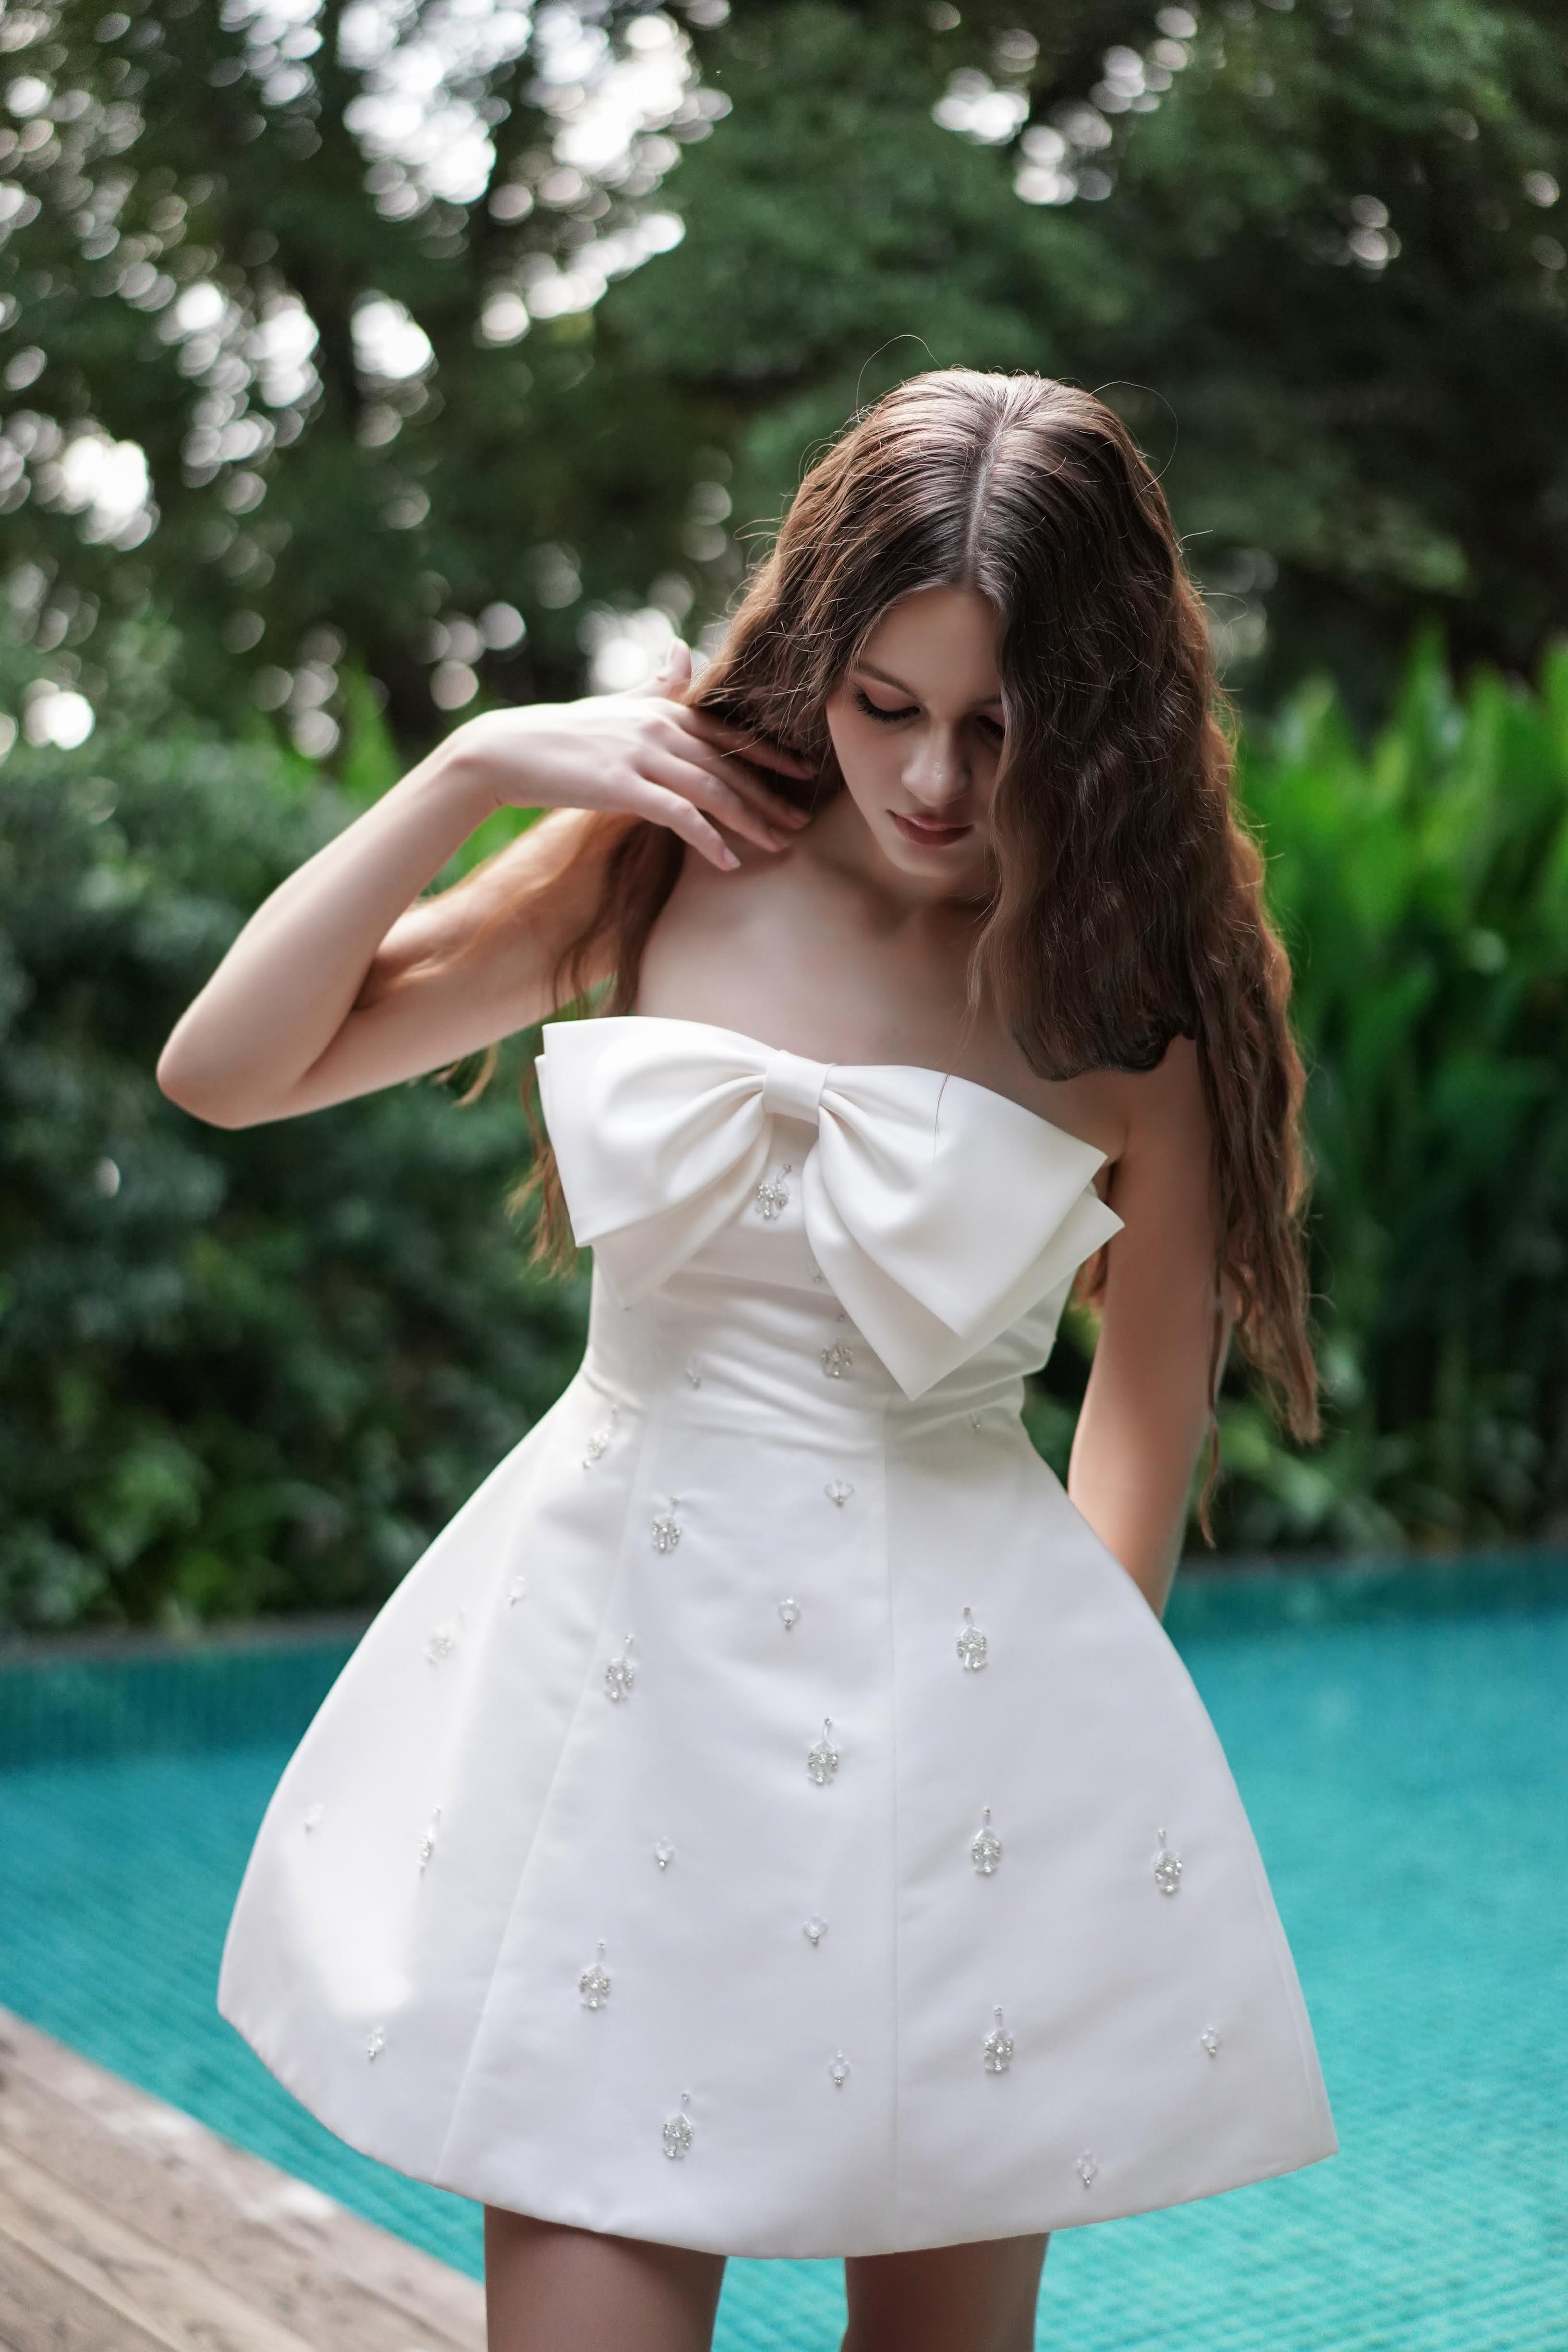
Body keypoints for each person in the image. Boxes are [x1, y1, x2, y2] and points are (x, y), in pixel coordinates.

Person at [158, 369, 1336, 2352]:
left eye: (997, 724)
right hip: (616, 1701)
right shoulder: (672, 857)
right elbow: (226, 1070)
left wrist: (1041, 1776)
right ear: (821, 657)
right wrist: (469, 769)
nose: (933, 778)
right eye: (886, 704)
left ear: (1099, 708)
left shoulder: (1128, 1005)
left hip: (967, 1738)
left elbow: (1140, 1432)